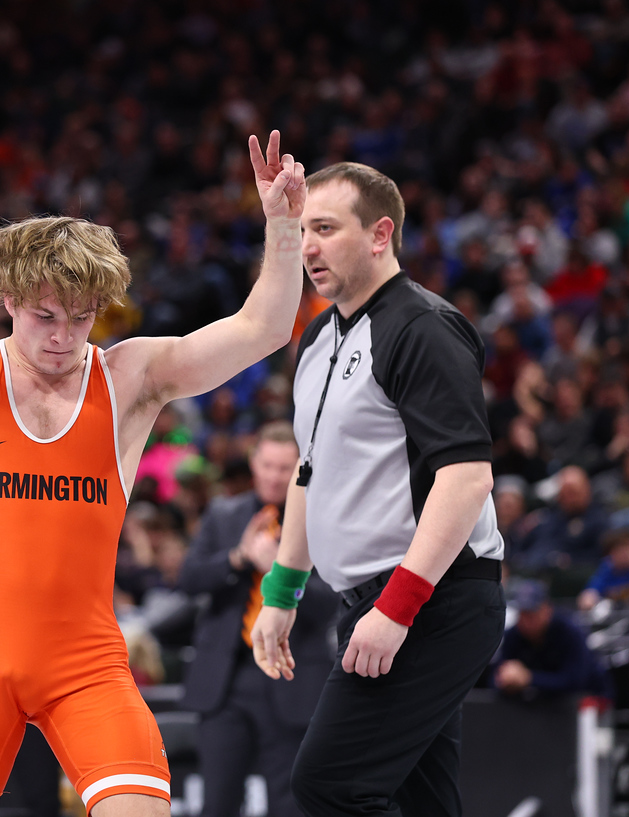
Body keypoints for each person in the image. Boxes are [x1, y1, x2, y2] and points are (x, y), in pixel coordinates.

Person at [0, 101, 307, 816]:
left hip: (88, 665)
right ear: (8, 298)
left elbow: (261, 329)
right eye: (46, 316)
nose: (64, 337)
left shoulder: (131, 378)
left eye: (81, 318)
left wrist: (283, 226)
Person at [251, 162, 506, 817]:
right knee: (422, 803)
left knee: (330, 785)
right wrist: (280, 593)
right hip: (370, 601)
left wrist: (397, 608)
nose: (308, 245)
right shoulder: (318, 337)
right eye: (302, 229)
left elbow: (467, 477)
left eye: (327, 228)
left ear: (379, 234)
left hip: (429, 600)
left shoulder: (421, 327)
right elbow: (310, 471)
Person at [177, 421, 338, 817]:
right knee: (218, 803)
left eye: (284, 468)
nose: (274, 476)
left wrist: (280, 571)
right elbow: (188, 579)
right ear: (253, 463)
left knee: (291, 804)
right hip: (226, 682)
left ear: (300, 467)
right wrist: (238, 557)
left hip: (290, 675)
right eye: (267, 465)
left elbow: (329, 606)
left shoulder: (319, 518)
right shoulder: (223, 514)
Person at [494, 580, 610, 698]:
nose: (526, 621)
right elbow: (494, 678)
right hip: (537, 707)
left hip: (588, 699)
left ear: (547, 609)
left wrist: (528, 678)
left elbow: (575, 681)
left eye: (532, 613)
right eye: (523, 613)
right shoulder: (513, 634)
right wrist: (507, 681)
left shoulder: (569, 632)